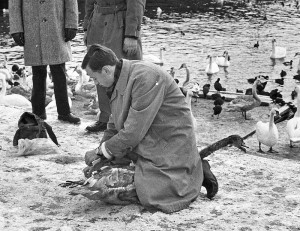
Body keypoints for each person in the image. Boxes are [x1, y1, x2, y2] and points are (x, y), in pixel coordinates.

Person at [81, 44, 218, 213]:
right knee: (102, 173)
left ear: (107, 70)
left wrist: (102, 151)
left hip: (168, 142)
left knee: (148, 190)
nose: (96, 83)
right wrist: (100, 156)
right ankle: (191, 166)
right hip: (150, 136)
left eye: (94, 78)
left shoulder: (145, 77)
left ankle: (195, 169)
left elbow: (132, 132)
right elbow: (113, 125)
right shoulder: (119, 78)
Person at [9, 0, 81, 124]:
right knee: (37, 73)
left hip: (56, 24)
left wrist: (72, 23)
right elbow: (14, 3)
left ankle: (64, 113)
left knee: (59, 72)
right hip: (32, 26)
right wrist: (16, 28)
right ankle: (38, 114)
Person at [83, 0, 145, 132]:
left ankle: (129, 121)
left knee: (122, 73)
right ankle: (105, 118)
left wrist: (132, 34)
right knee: (99, 70)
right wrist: (86, 26)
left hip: (120, 26)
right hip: (97, 22)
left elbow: (136, 4)